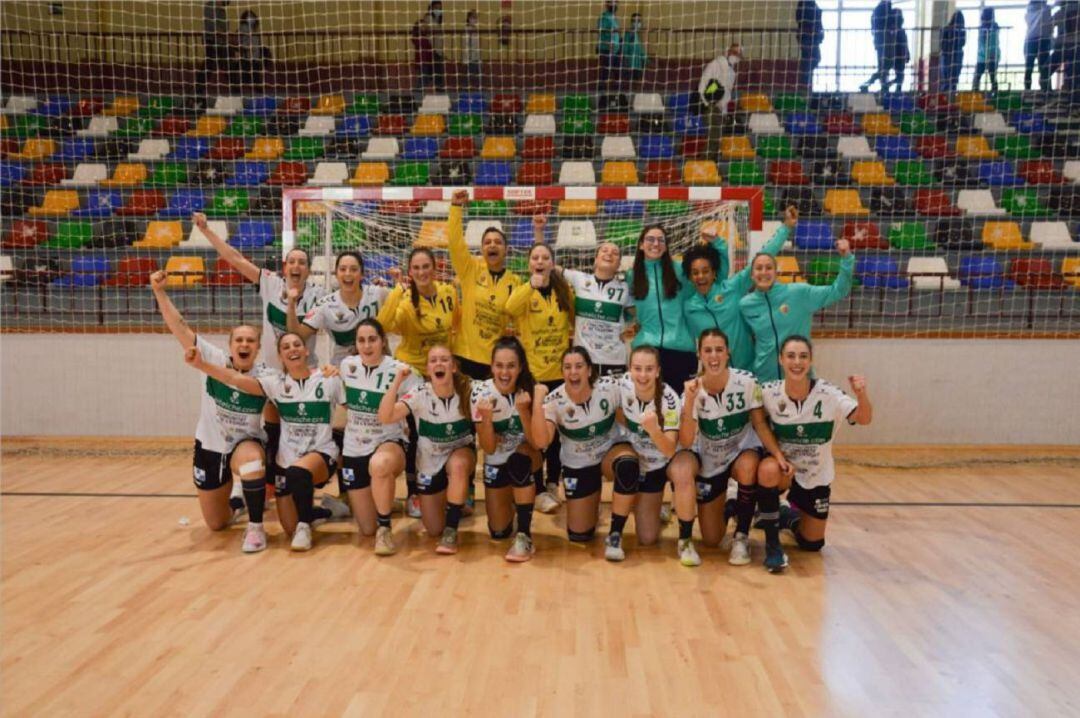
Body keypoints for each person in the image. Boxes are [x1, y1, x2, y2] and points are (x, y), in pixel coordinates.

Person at [193, 212, 332, 519]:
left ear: (309, 270)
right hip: (268, 375)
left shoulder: (319, 297)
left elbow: (296, 333)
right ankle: (258, 488)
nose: (296, 266)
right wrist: (206, 231)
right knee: (264, 430)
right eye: (291, 261)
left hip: (300, 377)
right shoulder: (269, 283)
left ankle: (303, 493)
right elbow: (235, 259)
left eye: (302, 262)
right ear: (285, 267)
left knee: (302, 434)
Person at [185, 332, 342, 552]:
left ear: (307, 351)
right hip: (287, 460)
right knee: (285, 527)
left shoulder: (328, 378)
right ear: (280, 356)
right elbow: (234, 379)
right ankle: (318, 512)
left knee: (298, 477)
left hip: (317, 455)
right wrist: (201, 364)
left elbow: (348, 408)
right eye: (285, 347)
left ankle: (301, 523)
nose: (292, 349)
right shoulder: (274, 383)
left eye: (297, 344)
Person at [150, 270, 271, 552]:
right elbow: (179, 326)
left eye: (250, 341)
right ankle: (240, 500)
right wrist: (159, 292)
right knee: (216, 524)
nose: (244, 344)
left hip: (244, 444)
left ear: (258, 348)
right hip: (210, 447)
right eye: (238, 340)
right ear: (229, 346)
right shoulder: (214, 358)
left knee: (252, 461)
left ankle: (256, 529)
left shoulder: (266, 375)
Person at [756, 336, 872, 572]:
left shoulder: (828, 393)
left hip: (815, 476)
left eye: (803, 356)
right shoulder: (768, 392)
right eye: (790, 356)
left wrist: (861, 394)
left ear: (810, 361)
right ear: (780, 359)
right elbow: (758, 421)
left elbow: (864, 418)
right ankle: (773, 546)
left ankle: (787, 516)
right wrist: (777, 455)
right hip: (784, 471)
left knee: (812, 544)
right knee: (768, 469)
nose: (796, 362)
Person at [679, 329, 790, 567]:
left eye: (719, 349)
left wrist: (778, 455)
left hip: (741, 451)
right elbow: (686, 441)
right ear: (699, 354)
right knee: (711, 539)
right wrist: (689, 402)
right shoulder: (691, 389)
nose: (714, 356)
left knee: (749, 465)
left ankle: (742, 536)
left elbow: (759, 423)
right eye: (707, 350)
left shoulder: (747, 382)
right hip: (711, 460)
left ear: (728, 353)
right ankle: (731, 503)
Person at [377, 247, 458, 518]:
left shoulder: (448, 293)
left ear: (435, 268)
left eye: (426, 267)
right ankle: (414, 493)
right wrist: (396, 292)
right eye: (417, 268)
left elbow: (454, 325)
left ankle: (454, 490)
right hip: (413, 371)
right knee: (416, 433)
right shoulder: (404, 301)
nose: (422, 272)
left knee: (448, 430)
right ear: (410, 272)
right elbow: (383, 325)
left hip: (441, 371)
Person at [532, 347, 637, 549]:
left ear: (589, 370)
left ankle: (615, 534)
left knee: (627, 464)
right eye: (567, 367)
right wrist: (537, 403)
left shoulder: (609, 388)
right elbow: (542, 442)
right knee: (579, 535)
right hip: (579, 464)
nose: (573, 372)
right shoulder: (554, 401)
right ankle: (592, 500)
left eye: (579, 366)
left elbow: (638, 390)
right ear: (562, 372)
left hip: (609, 454)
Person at [377, 346, 476, 554]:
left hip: (460, 452)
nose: (439, 364)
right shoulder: (419, 393)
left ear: (454, 367)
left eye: (444, 359)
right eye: (433, 361)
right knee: (433, 529)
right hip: (429, 460)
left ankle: (451, 530)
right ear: (428, 369)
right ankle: (454, 504)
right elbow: (385, 417)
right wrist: (397, 382)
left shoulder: (469, 389)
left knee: (458, 465)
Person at [338, 319, 419, 556]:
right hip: (354, 448)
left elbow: (419, 403)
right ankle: (383, 498)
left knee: (380, 465)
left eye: (372, 339)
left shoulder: (401, 370)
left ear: (383, 341)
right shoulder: (346, 366)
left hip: (388, 443)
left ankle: (385, 528)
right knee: (365, 529)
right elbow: (343, 399)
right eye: (361, 340)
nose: (367, 345)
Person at [682, 206, 797, 373]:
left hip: (750, 370)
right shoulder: (688, 307)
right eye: (695, 273)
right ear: (690, 277)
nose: (701, 276)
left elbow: (762, 257)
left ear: (714, 273)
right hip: (718, 376)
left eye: (705, 271)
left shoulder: (732, 287)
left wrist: (786, 227)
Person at [504, 243, 574, 514]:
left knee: (556, 435)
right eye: (535, 257)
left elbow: (576, 320)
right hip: (533, 376)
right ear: (529, 263)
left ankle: (553, 482)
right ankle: (538, 487)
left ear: (552, 263)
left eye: (546, 257)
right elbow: (509, 308)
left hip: (560, 375)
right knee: (534, 434)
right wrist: (530, 286)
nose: (540, 261)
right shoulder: (524, 290)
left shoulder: (563, 290)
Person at [614, 346, 699, 565]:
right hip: (643, 464)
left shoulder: (668, 398)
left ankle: (686, 540)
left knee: (682, 472)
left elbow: (670, 449)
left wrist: (653, 430)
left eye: (649, 369)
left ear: (658, 371)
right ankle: (651, 505)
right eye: (637, 368)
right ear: (629, 369)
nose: (643, 375)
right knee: (647, 538)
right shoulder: (620, 385)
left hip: (667, 460)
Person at [625, 223, 728, 392]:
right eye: (650, 239)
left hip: (680, 351)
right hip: (646, 351)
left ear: (666, 246)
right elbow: (628, 308)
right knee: (647, 410)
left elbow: (716, 276)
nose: (655, 244)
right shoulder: (632, 275)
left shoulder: (680, 271)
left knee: (681, 410)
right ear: (641, 245)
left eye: (661, 240)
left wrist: (718, 243)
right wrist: (628, 322)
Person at [739, 238, 853, 383]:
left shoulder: (799, 293)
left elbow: (838, 291)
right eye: (759, 268)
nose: (764, 272)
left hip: (799, 378)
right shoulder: (746, 305)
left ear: (776, 272)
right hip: (764, 378)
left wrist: (846, 258)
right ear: (752, 275)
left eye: (768, 268)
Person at [470, 337, 542, 562]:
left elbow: (537, 442)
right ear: (491, 366)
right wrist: (488, 420)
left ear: (520, 367)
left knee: (519, 462)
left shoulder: (531, 390)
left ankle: (524, 535)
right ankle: (516, 499)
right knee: (498, 532)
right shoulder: (479, 393)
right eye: (499, 365)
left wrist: (524, 412)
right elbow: (489, 448)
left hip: (526, 455)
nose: (504, 372)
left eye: (511, 366)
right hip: (497, 461)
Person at [447, 189, 521, 381]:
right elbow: (455, 244)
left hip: (495, 363)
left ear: (506, 250)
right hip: (464, 356)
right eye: (487, 242)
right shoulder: (470, 270)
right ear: (481, 249)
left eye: (497, 242)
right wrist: (456, 208)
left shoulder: (515, 282)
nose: (492, 245)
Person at [286, 251, 388, 368]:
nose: (348, 274)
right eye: (343, 269)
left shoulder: (378, 294)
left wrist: (401, 285)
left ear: (362, 274)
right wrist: (291, 304)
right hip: (343, 369)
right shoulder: (325, 305)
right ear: (336, 274)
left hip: (377, 366)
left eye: (354, 269)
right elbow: (298, 335)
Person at [698, 43, 743, 158]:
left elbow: (727, 95)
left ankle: (710, 166)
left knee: (716, 142)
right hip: (711, 107)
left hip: (720, 110)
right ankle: (704, 166)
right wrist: (707, 104)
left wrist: (724, 113)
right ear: (727, 52)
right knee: (712, 140)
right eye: (734, 53)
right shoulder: (715, 64)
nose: (736, 56)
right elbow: (703, 85)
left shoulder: (732, 73)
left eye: (739, 54)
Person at [197, 0, 230, 99]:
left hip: (220, 42)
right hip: (211, 40)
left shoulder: (222, 11)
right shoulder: (209, 6)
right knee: (209, 65)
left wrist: (225, 35)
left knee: (221, 65)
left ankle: (198, 88)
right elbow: (212, 25)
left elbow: (225, 26)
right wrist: (222, 33)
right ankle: (198, 89)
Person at [860, 0, 894, 92]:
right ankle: (871, 83)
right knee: (885, 66)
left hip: (881, 42)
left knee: (884, 67)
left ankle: (882, 85)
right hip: (885, 42)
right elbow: (889, 23)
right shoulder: (883, 10)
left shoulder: (878, 10)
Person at [412, 1, 445, 90]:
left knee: (435, 70)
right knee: (428, 70)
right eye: (436, 8)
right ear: (431, 8)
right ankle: (421, 87)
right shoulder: (429, 18)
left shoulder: (437, 20)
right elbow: (428, 32)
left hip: (437, 49)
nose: (438, 10)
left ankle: (437, 87)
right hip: (431, 48)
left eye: (440, 8)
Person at [795, 1, 824, 90]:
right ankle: (804, 83)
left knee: (811, 59)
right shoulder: (805, 3)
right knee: (810, 59)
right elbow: (800, 19)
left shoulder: (811, 3)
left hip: (812, 36)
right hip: (808, 36)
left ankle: (805, 83)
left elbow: (818, 20)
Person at [1026, 1, 1054, 92]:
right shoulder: (1046, 9)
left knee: (1029, 68)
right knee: (1043, 68)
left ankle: (1027, 90)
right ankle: (1046, 90)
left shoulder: (1029, 10)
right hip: (1043, 40)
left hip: (1030, 39)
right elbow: (1049, 26)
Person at [237, 9, 268, 89]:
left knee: (253, 72)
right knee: (252, 72)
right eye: (249, 16)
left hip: (254, 54)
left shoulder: (253, 29)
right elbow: (241, 41)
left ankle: (254, 86)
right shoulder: (243, 28)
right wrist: (246, 47)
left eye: (252, 16)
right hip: (248, 54)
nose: (251, 18)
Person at [974, 8, 1001, 93]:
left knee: (992, 76)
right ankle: (975, 92)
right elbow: (981, 42)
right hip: (982, 56)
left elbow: (993, 41)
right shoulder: (981, 28)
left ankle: (994, 93)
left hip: (992, 55)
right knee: (977, 76)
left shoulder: (995, 27)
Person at [597, 0, 622, 91]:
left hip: (616, 49)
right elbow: (602, 33)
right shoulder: (604, 17)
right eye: (612, 2)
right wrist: (609, 44)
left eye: (616, 2)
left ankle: (616, 93)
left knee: (616, 72)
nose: (614, 4)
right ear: (606, 4)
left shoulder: (614, 18)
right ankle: (601, 95)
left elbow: (616, 33)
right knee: (605, 72)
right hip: (606, 49)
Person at [939, 11, 966, 93]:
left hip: (954, 57)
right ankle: (946, 98)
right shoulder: (947, 29)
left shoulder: (961, 31)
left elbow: (963, 43)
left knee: (950, 81)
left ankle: (949, 98)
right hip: (949, 57)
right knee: (948, 81)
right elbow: (943, 44)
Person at [886, 9, 910, 93]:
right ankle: (889, 85)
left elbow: (905, 43)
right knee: (899, 76)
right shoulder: (891, 30)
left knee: (900, 76)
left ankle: (896, 89)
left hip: (900, 55)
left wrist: (907, 54)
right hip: (896, 55)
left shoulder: (901, 31)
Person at [622, 13, 647, 89]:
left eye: (639, 21)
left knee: (638, 87)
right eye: (634, 21)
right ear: (631, 22)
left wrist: (647, 61)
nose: (637, 23)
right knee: (632, 87)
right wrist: (626, 61)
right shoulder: (630, 33)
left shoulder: (636, 35)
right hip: (630, 66)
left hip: (638, 65)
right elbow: (625, 48)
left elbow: (641, 51)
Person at [464, 10, 482, 88]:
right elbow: (466, 43)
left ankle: (476, 88)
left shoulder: (475, 28)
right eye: (473, 17)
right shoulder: (467, 29)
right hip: (470, 55)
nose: (475, 19)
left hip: (476, 55)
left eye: (476, 17)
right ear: (469, 18)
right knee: (470, 73)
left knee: (478, 73)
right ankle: (468, 88)